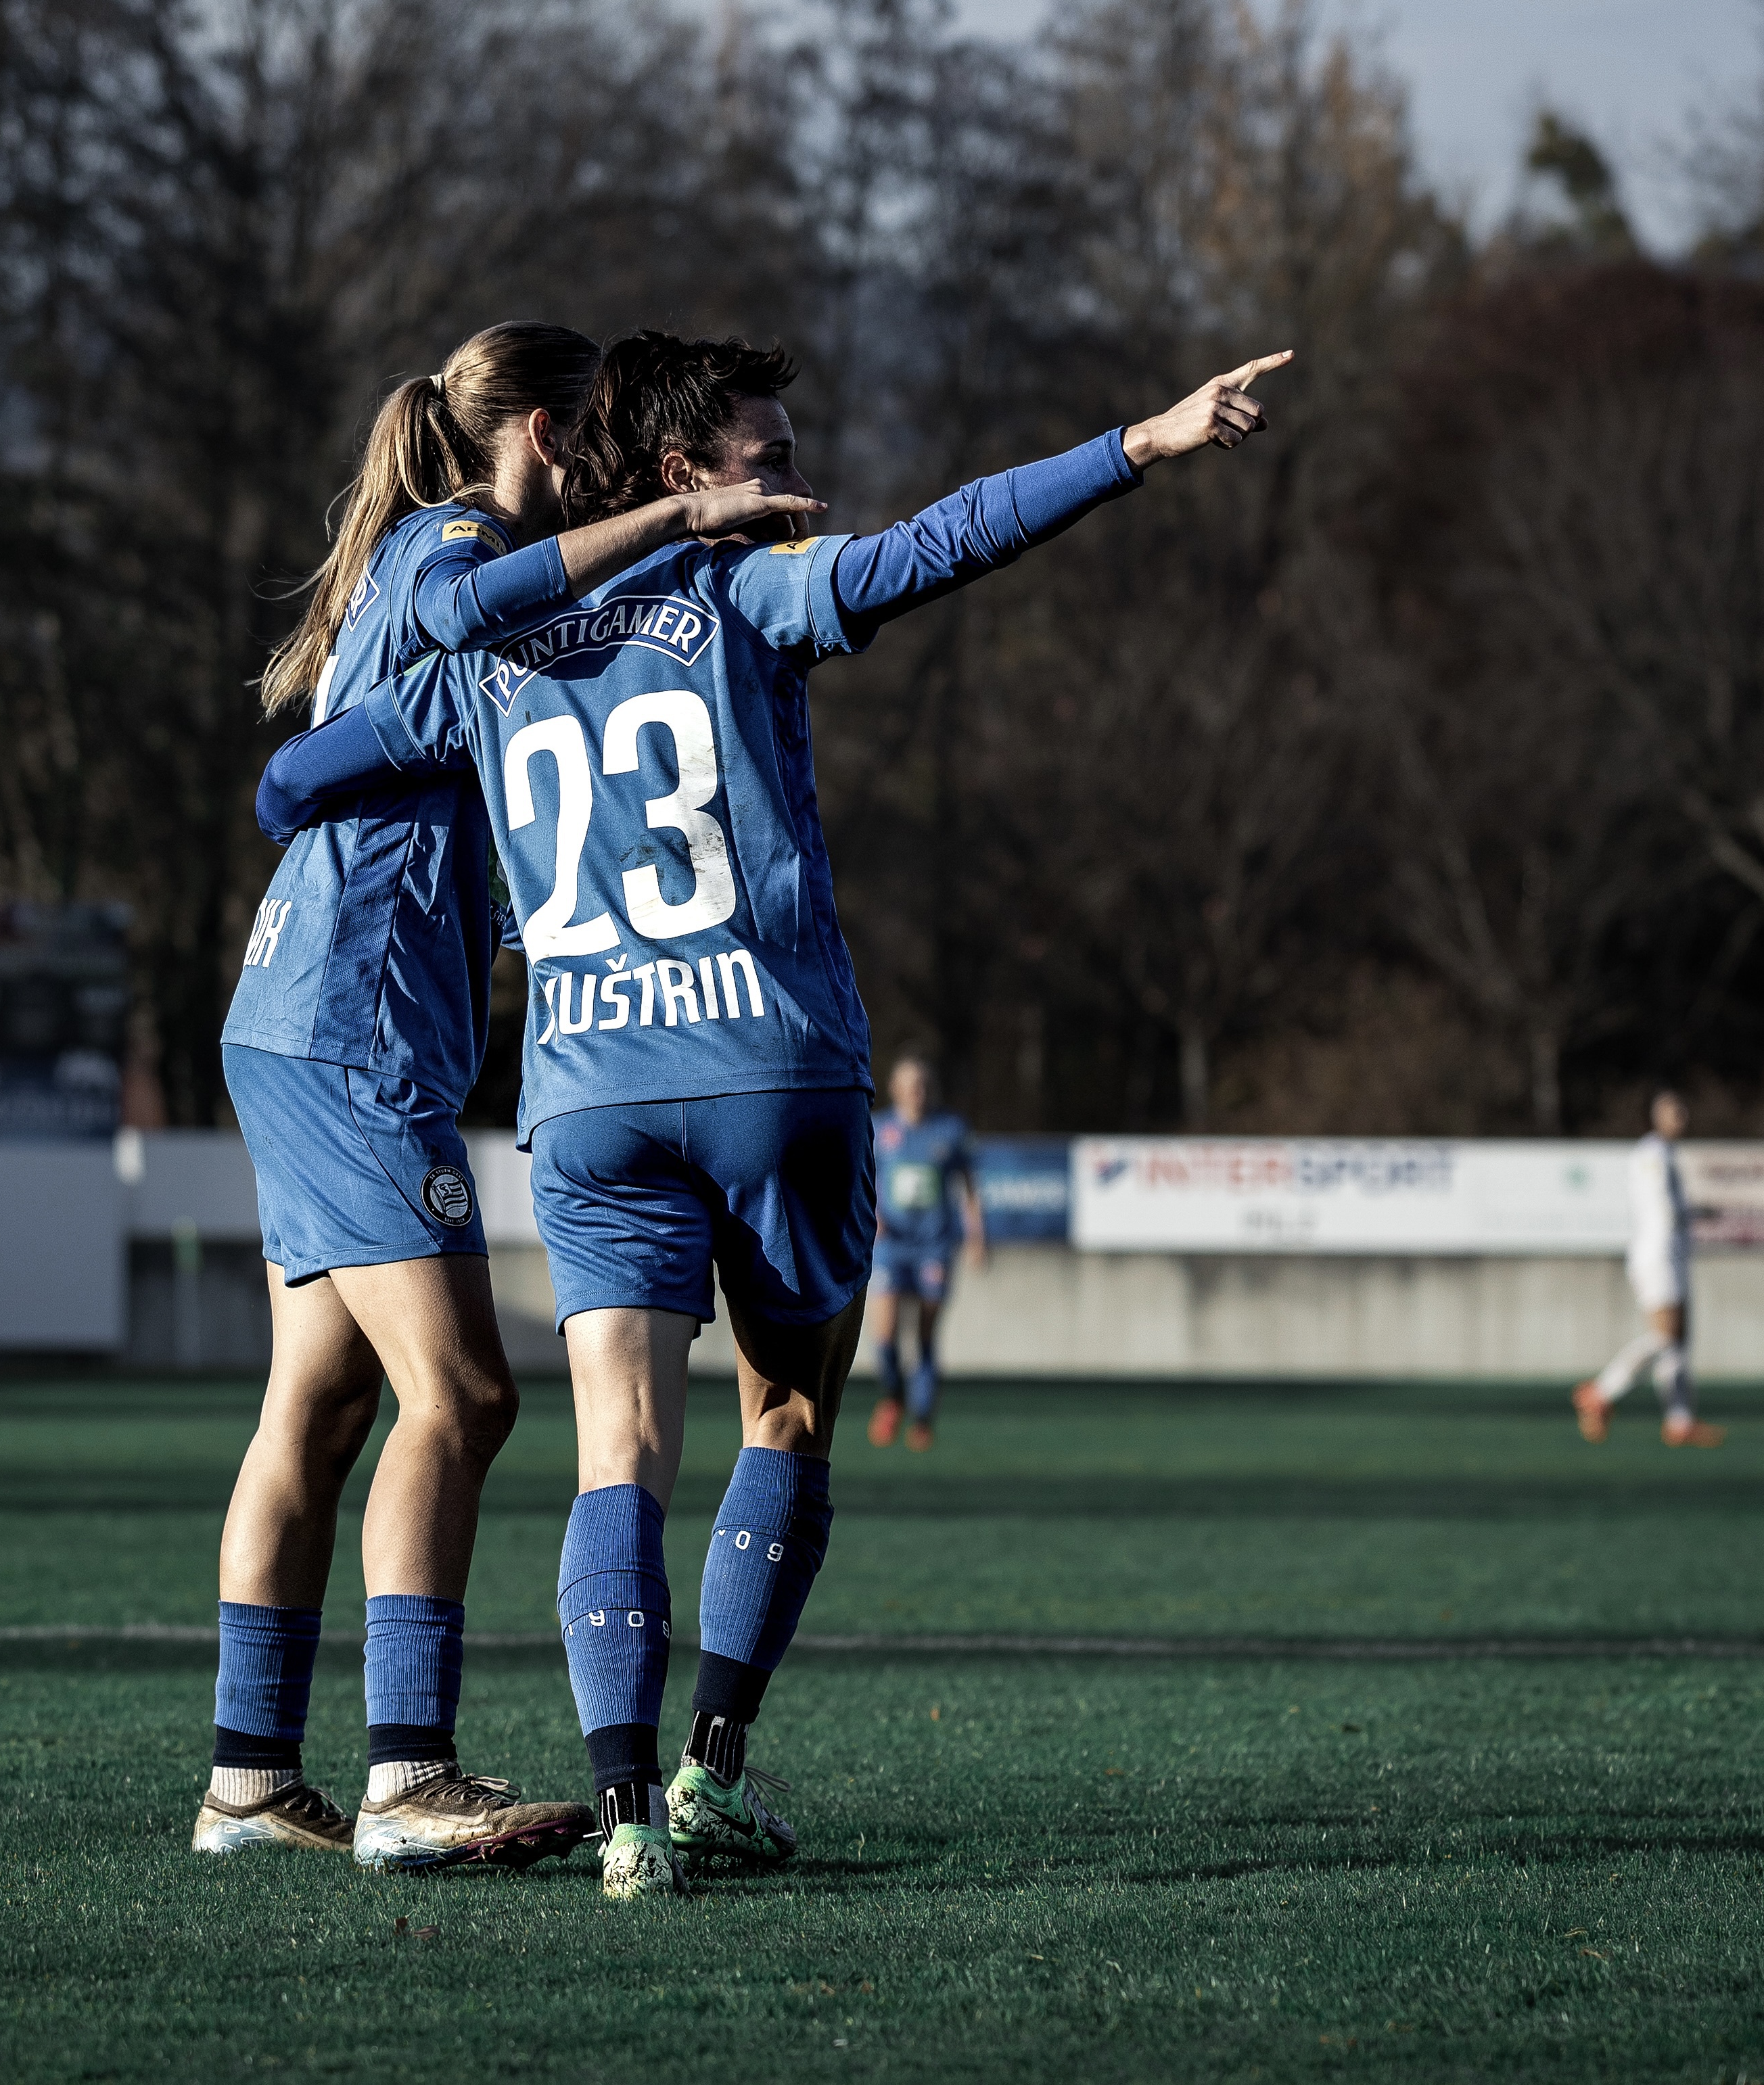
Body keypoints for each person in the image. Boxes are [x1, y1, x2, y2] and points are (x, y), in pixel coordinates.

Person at [256, 328, 1290, 1897]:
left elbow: (292, 785)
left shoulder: (488, 652)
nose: (797, 479)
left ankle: (622, 1819)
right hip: (770, 1069)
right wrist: (1136, 445)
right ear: (682, 473)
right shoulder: (747, 591)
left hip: (588, 1096)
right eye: (773, 453)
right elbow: (947, 540)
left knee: (616, 1448)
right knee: (788, 1416)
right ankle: (711, 1770)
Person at [193, 321, 825, 1867]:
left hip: (299, 1013)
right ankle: (406, 1775)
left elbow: (319, 775)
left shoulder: (422, 558)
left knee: (320, 1401)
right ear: (543, 431)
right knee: (463, 1396)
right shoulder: (457, 544)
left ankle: (248, 1778)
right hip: (350, 1024)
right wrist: (682, 516)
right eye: (591, 431)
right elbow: (464, 619)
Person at [1573, 1090, 1725, 1448]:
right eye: (1674, 1110)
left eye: (1683, 1109)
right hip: (1657, 1255)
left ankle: (1680, 1420)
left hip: (1674, 1253)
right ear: (1657, 1117)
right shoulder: (1651, 1152)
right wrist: (1685, 1217)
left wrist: (1696, 1214)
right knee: (1665, 1337)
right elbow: (1659, 1206)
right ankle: (1601, 1392)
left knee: (1679, 1341)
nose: (1682, 1116)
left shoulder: (1668, 1152)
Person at [866, 1054, 985, 1452]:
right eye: (909, 1084)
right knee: (885, 1335)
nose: (917, 1092)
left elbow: (970, 1187)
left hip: (934, 1246)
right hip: (891, 1247)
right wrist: (872, 1216)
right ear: (895, 1088)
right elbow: (861, 1180)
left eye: (923, 1084)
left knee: (926, 1336)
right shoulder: (879, 1129)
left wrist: (977, 1237)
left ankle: (922, 1417)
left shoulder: (950, 1130)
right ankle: (893, 1397)